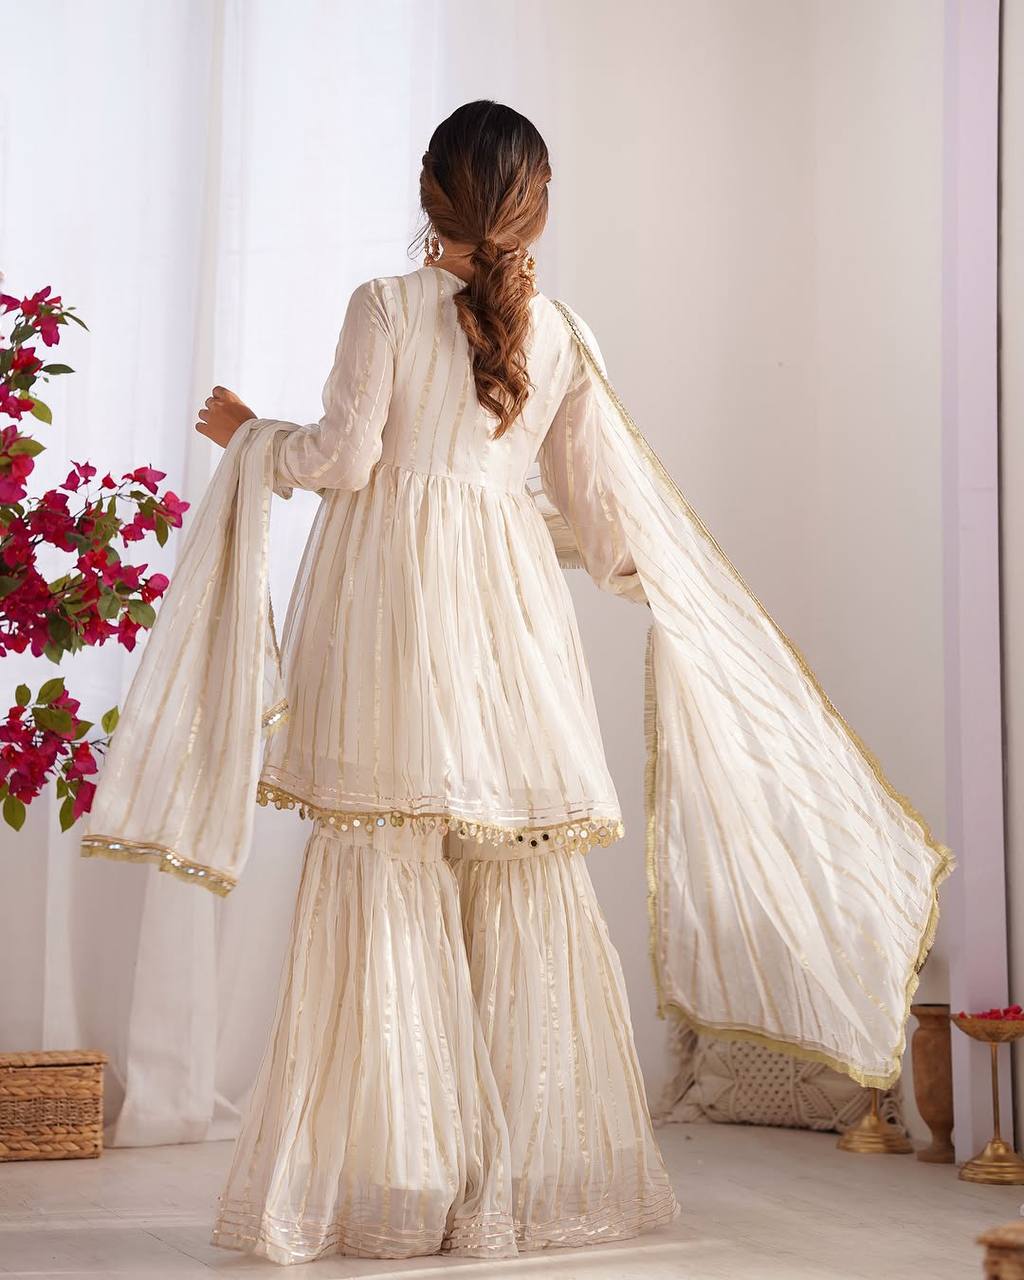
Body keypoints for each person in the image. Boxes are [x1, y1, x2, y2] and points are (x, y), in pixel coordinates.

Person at [81, 98, 952, 1265]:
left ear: (428, 191)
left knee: (389, 869)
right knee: (511, 875)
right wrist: (665, 586)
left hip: (394, 624)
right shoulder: (563, 332)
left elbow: (344, 460)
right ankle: (505, 1193)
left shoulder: (384, 305)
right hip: (510, 633)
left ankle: (390, 1193)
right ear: (537, 206)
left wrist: (247, 432)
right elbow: (598, 517)